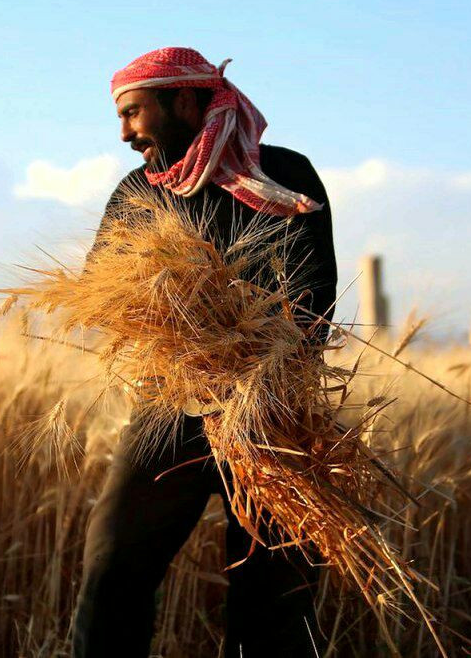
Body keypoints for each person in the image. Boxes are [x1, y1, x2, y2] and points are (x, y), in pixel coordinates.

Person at [70, 47, 338, 658]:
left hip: (274, 417)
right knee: (111, 571)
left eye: (135, 113)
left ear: (185, 100)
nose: (124, 133)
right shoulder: (140, 192)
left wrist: (251, 362)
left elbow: (312, 290)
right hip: (169, 411)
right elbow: (102, 290)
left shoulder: (284, 176)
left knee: (273, 602)